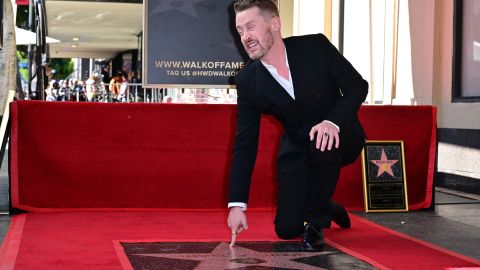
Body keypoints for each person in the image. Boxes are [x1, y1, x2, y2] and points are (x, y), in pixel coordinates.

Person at [227, 0, 369, 251]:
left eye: (250, 27)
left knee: (322, 141)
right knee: (286, 229)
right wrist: (237, 204)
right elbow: (245, 143)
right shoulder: (248, 81)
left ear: (275, 23)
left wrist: (332, 121)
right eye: (240, 31)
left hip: (341, 135)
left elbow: (358, 86)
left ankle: (316, 222)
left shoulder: (315, 47)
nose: (245, 37)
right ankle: (326, 203)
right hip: (297, 147)